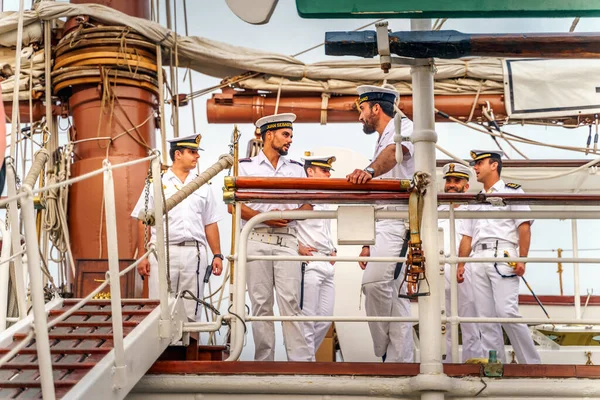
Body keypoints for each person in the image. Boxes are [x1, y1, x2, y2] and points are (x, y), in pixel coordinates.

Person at [234, 113, 313, 362]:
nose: (290, 140)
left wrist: (290, 215)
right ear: (270, 135)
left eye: (291, 135)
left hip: (287, 239)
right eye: (285, 135)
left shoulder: (297, 170)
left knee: (290, 300)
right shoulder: (245, 167)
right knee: (260, 303)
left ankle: (300, 362)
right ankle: (263, 362)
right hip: (256, 238)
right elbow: (233, 205)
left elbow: (309, 205)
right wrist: (265, 217)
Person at [347, 85, 415, 362]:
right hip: (383, 222)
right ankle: (398, 360)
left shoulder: (404, 126)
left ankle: (384, 349)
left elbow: (394, 153)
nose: (360, 116)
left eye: (362, 109)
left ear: (376, 108)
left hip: (399, 221)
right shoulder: (382, 138)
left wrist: (369, 171)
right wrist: (367, 242)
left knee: (375, 284)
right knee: (395, 296)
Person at [457, 150, 541, 364]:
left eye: (479, 163)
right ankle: (496, 365)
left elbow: (524, 227)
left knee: (506, 312)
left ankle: (532, 365)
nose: (475, 168)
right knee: (485, 318)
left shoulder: (512, 190)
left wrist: (523, 259)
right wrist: (461, 264)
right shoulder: (475, 199)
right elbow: (467, 235)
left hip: (502, 254)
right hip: (477, 258)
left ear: (494, 165)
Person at [131, 134, 223, 322]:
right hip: (162, 252)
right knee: (160, 309)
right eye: (192, 152)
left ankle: (188, 351)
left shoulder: (204, 185)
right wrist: (142, 256)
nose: (197, 156)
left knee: (191, 312)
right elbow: (142, 220)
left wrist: (217, 254)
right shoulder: (156, 182)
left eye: (197, 152)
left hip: (194, 253)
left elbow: (210, 222)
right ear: (178, 154)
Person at [439, 162, 484, 362]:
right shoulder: (434, 212)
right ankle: (446, 365)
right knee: (443, 322)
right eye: (448, 180)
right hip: (439, 268)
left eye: (456, 181)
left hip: (466, 270)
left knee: (469, 320)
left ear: (466, 186)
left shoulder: (473, 211)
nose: (451, 185)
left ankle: (472, 364)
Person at [296, 155, 338, 358]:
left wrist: (333, 248)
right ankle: (306, 363)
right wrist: (296, 246)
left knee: (325, 318)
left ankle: (305, 358)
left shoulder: (325, 199)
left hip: (327, 263)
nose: (329, 174)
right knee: (307, 318)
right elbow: (287, 222)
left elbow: (325, 230)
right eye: (324, 170)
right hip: (309, 263)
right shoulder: (298, 196)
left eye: (329, 170)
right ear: (310, 171)